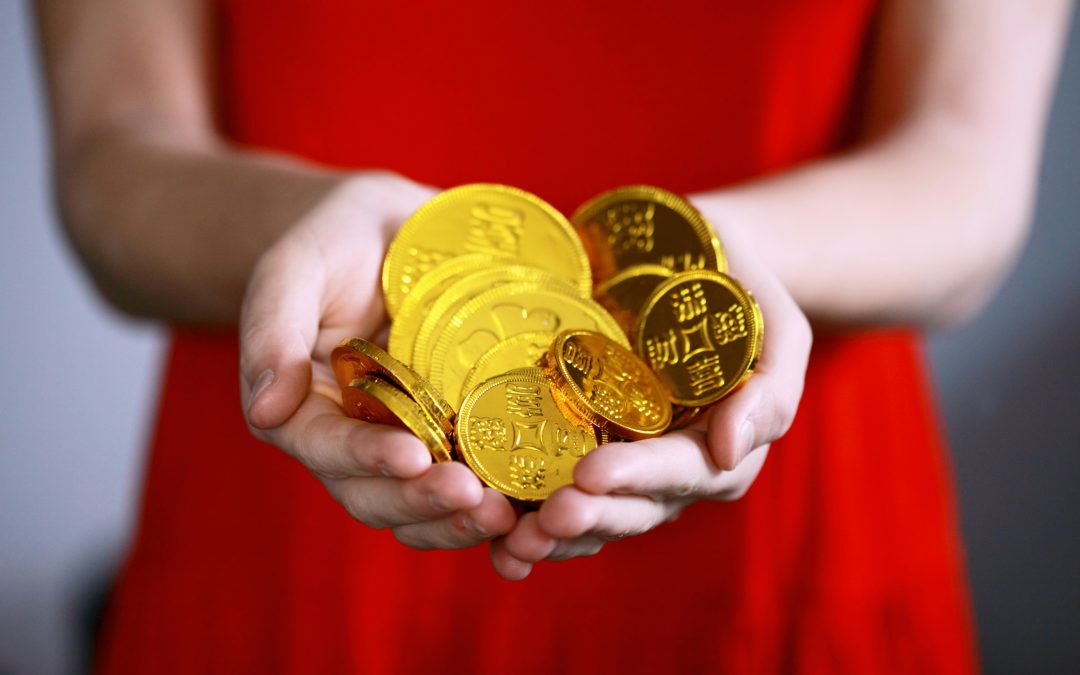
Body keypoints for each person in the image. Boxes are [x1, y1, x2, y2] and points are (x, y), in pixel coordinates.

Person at [35, 0, 1070, 673]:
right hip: (299, 505)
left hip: (781, 547)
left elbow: (969, 171)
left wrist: (716, 256)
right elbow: (111, 157)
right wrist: (309, 227)